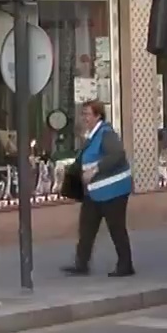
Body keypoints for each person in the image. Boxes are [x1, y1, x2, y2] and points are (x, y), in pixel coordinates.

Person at [64, 99, 135, 277]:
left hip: (114, 190)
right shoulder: (92, 136)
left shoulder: (106, 134)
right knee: (86, 227)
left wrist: (95, 169)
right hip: (95, 192)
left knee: (116, 228)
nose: (84, 118)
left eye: (87, 114)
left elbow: (118, 154)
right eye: (83, 114)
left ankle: (126, 265)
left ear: (98, 115)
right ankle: (81, 263)